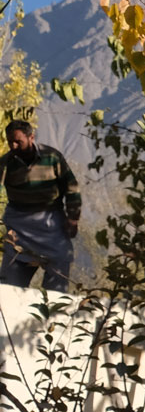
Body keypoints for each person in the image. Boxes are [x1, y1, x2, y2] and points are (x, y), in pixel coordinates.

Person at [1, 118, 81, 292]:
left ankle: (53, 318)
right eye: (10, 142)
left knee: (56, 290)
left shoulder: (52, 157)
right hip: (19, 229)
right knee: (8, 290)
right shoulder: (6, 164)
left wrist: (73, 218)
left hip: (52, 226)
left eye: (18, 141)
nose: (13, 146)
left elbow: (71, 187)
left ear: (31, 137)